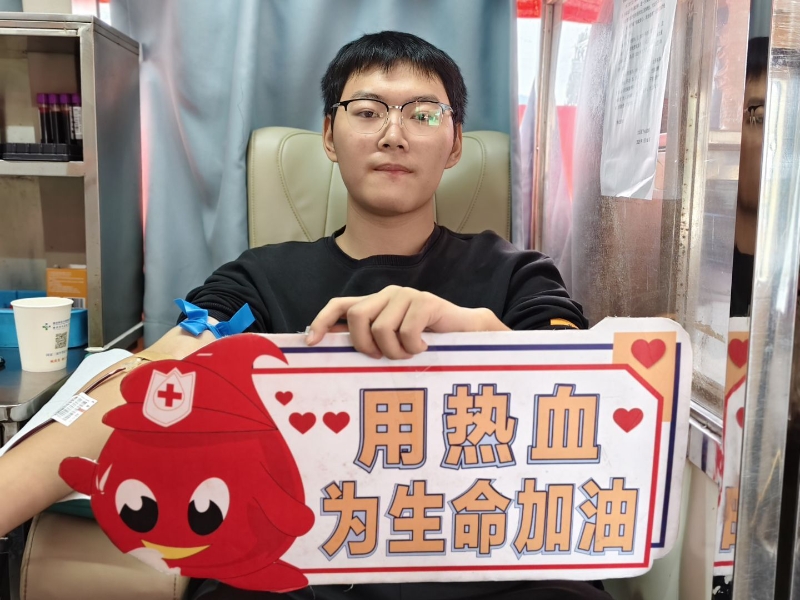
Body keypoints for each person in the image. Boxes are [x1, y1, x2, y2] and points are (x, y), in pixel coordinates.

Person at [0, 31, 608, 600]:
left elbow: (587, 392)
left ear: (454, 145)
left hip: (492, 567)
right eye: (366, 111)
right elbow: (161, 377)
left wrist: (469, 329)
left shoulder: (517, 274)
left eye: (423, 114)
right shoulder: (260, 279)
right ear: (328, 135)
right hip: (295, 571)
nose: (393, 134)